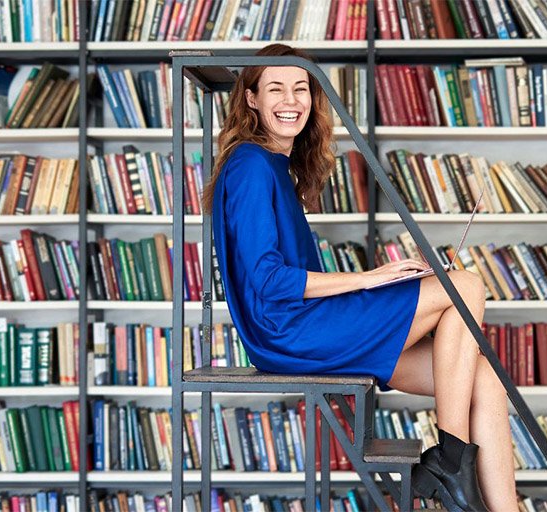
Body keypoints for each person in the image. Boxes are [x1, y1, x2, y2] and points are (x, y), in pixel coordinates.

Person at [203, 43, 516, 512]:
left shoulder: (275, 165)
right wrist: (368, 279)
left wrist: (379, 284)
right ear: (251, 98)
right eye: (275, 88)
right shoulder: (250, 163)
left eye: (300, 87)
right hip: (287, 333)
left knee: (485, 376)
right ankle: (452, 458)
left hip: (305, 326)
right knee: (466, 286)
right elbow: (269, 282)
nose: (290, 100)